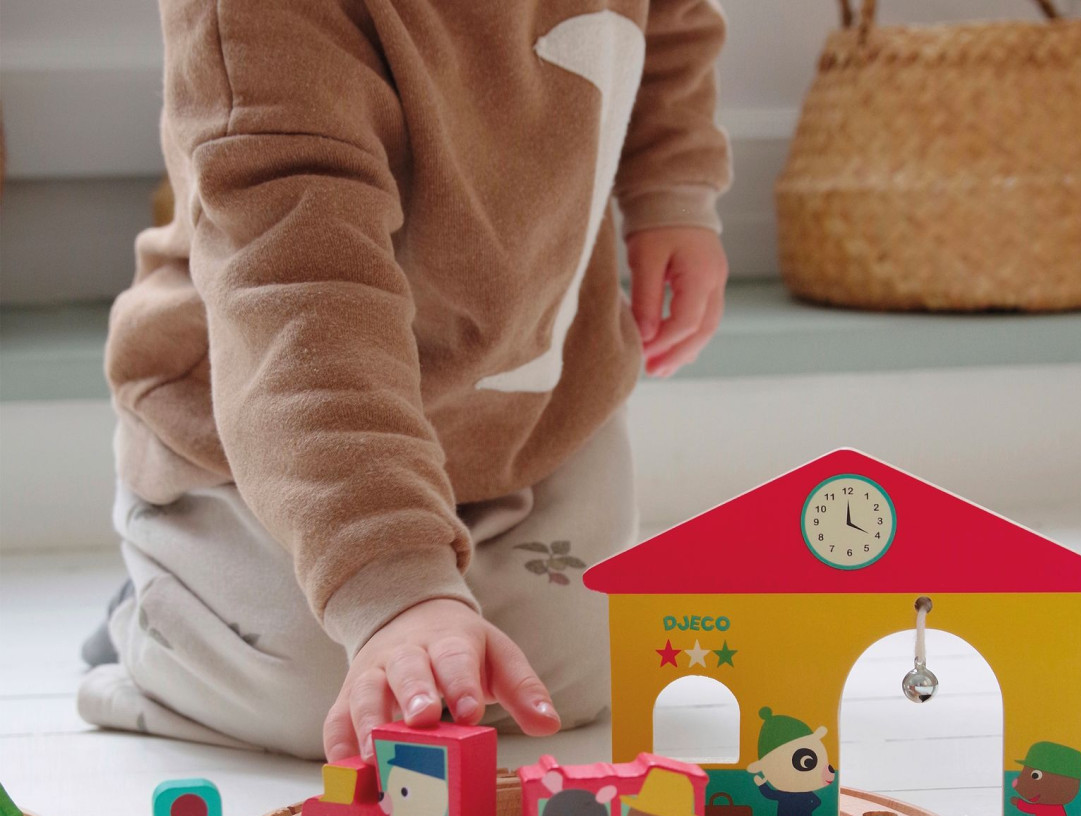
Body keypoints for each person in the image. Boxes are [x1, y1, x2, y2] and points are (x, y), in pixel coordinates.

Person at [78, 0, 731, 761]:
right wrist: (394, 589)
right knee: (329, 698)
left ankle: (390, 579)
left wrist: (674, 190)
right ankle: (166, 612)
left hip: (525, 417)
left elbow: (672, 20)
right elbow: (300, 295)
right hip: (283, 424)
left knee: (571, 677)